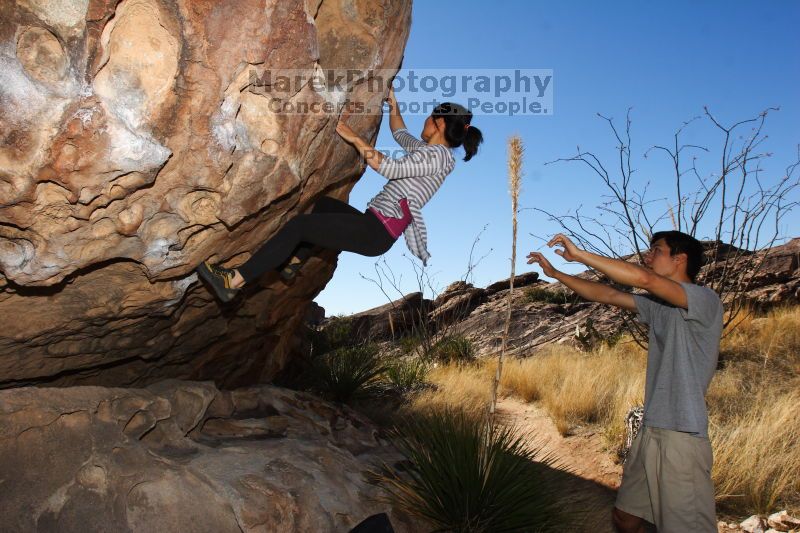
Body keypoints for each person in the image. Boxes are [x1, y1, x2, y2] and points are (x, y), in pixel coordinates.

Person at [197, 87, 483, 302]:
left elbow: (391, 169)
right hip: (374, 225)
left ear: (440, 123)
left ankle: (233, 281)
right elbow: (399, 133)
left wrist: (354, 137)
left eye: (430, 116)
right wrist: (393, 104)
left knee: (300, 227)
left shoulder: (438, 156)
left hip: (376, 231)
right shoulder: (429, 151)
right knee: (323, 205)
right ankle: (295, 261)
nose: (426, 119)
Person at [527, 231, 722, 533]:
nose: (648, 256)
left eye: (656, 250)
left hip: (682, 435)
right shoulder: (660, 307)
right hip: (652, 428)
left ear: (680, 259)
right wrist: (556, 273)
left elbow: (645, 280)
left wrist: (580, 254)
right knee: (626, 519)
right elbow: (607, 294)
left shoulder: (704, 300)